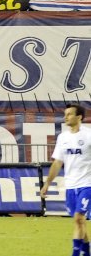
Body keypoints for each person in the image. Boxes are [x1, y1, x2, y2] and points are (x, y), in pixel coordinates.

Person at [40, 104, 91, 256]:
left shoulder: (89, 135)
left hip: (87, 185)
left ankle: (75, 253)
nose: (65, 117)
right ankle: (87, 251)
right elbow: (57, 162)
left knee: (78, 218)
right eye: (65, 114)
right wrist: (47, 183)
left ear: (79, 117)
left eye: (69, 114)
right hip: (71, 186)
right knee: (79, 222)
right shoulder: (63, 137)